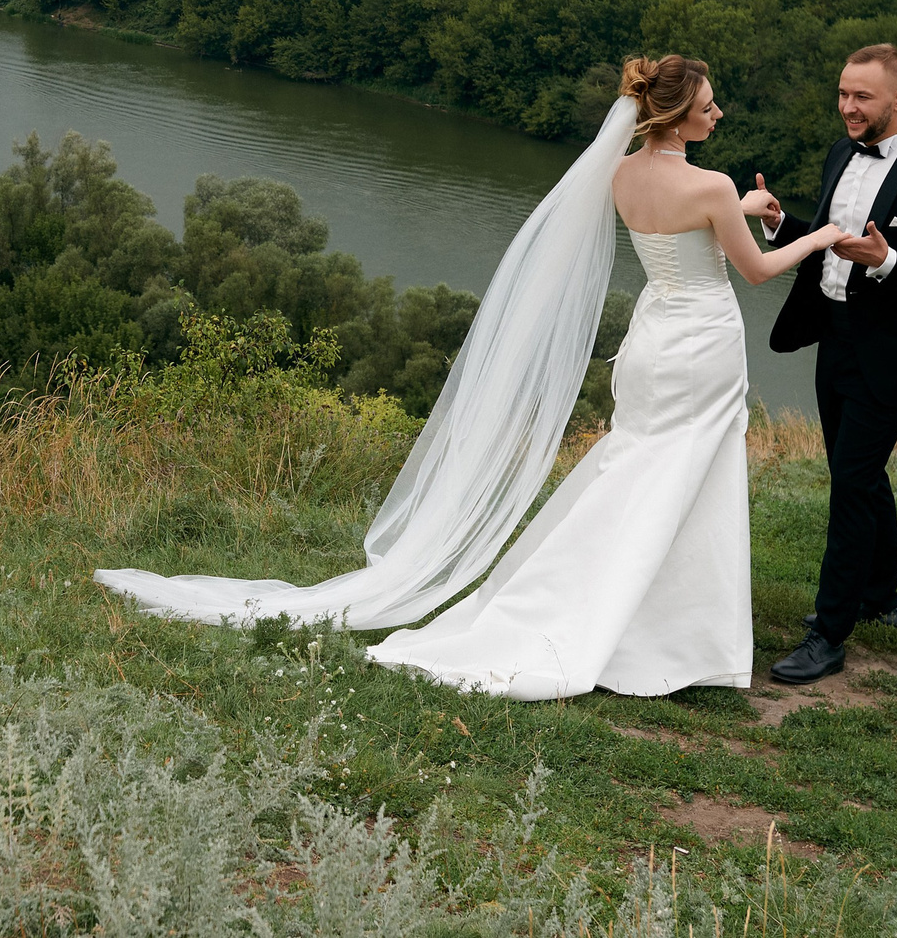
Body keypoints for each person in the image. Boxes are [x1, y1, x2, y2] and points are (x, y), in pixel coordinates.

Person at [96, 55, 845, 701]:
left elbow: (685, 228)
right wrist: (819, 237)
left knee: (638, 465)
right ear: (678, 116)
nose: (719, 113)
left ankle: (627, 606)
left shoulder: (622, 174)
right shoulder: (711, 186)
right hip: (703, 342)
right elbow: (754, 269)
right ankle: (673, 632)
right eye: (709, 105)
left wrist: (742, 205)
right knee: (688, 472)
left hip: (652, 341)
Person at [752, 43, 897, 685]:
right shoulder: (839, 154)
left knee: (851, 483)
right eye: (843, 94)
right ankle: (879, 596)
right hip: (835, 339)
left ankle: (829, 634)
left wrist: (888, 261)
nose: (848, 107)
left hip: (892, 355)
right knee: (860, 474)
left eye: (862, 97)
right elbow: (827, 237)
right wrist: (781, 224)